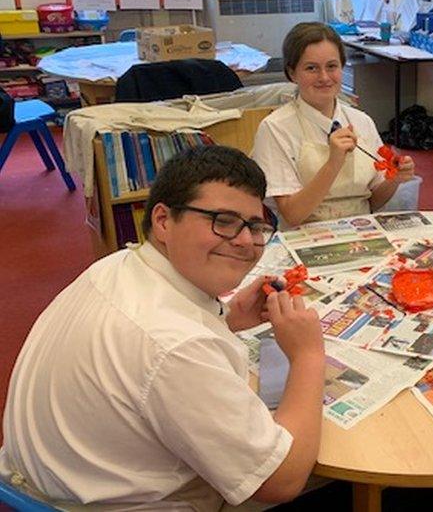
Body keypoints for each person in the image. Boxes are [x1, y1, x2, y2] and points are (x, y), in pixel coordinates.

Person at [0, 146, 326, 508]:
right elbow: (280, 482)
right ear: (163, 221)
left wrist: (227, 317)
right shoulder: (177, 346)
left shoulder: (118, 263)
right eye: (223, 220)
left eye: (254, 225)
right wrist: (308, 355)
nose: (246, 240)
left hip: (46, 484)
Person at [251, 22, 416, 226]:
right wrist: (333, 162)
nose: (324, 77)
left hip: (362, 229)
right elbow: (292, 215)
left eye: (332, 66)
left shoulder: (361, 121)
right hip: (304, 235)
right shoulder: (275, 128)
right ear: (292, 73)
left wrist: (394, 179)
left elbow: (372, 202)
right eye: (311, 68)